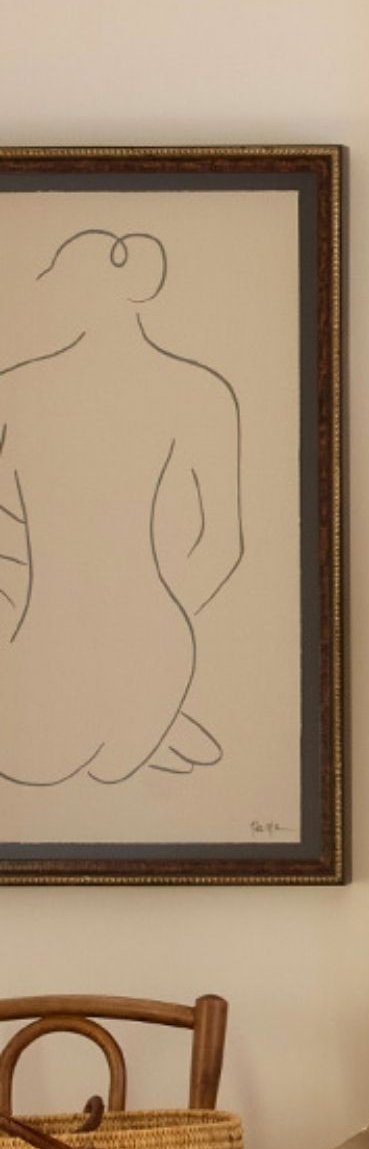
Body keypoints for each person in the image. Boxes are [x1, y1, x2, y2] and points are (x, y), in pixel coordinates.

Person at [0, 227, 243, 787]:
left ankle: (138, 719)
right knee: (88, 758)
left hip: (43, 648)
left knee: (32, 760)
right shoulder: (203, 392)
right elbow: (223, 546)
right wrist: (145, 630)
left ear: (71, 292)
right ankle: (155, 723)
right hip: (159, 650)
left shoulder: (14, 392)